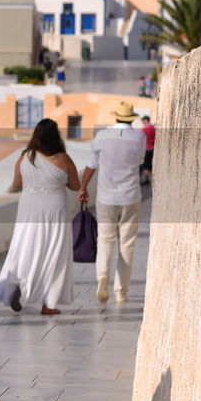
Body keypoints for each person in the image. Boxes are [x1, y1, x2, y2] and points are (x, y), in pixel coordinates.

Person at [0, 119, 81, 315]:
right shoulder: (63, 160)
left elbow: (16, 183)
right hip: (55, 207)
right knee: (53, 251)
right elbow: (75, 185)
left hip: (29, 208)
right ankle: (48, 303)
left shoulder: (26, 157)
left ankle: (18, 283)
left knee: (25, 247)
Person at [79, 102, 147, 303]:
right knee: (127, 243)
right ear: (132, 118)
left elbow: (91, 165)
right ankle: (121, 291)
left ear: (116, 117)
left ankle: (102, 276)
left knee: (105, 240)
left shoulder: (101, 136)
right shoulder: (139, 137)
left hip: (106, 198)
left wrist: (83, 187)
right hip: (130, 196)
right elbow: (140, 161)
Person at [139, 115, 156, 185]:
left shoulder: (144, 129)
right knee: (150, 165)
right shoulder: (153, 128)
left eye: (143, 121)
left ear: (146, 120)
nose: (142, 122)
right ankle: (149, 179)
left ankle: (146, 179)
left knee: (145, 165)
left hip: (145, 149)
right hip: (153, 149)